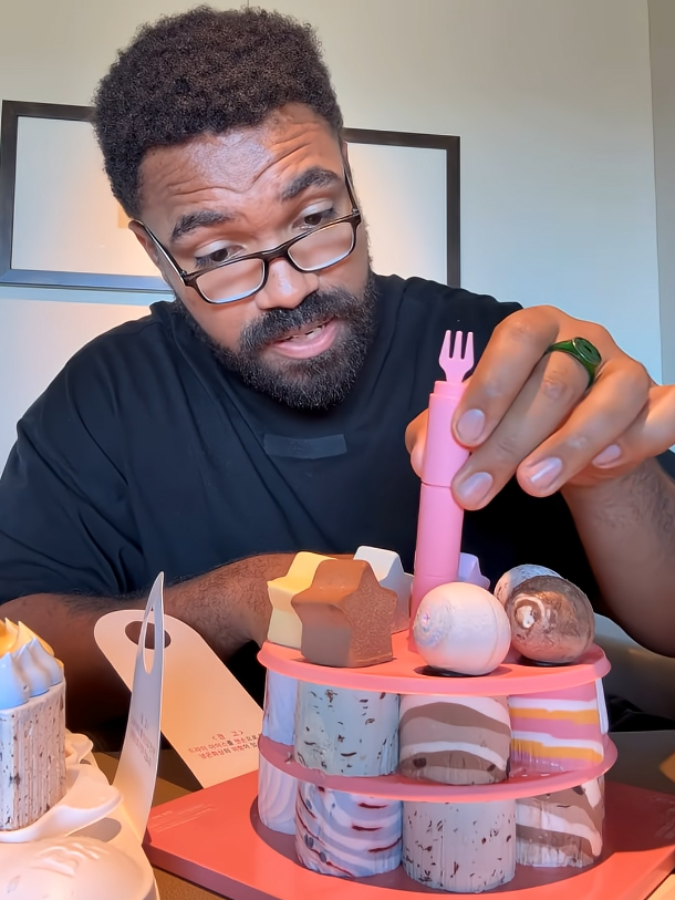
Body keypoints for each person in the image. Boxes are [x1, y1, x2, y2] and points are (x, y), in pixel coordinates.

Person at [1, 6, 674, 732]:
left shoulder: (491, 355)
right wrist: (233, 601)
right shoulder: (105, 395)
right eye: (219, 255)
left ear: (349, 175)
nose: (290, 288)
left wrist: (610, 473)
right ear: (155, 253)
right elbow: (20, 647)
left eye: (315, 218)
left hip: (531, 769)